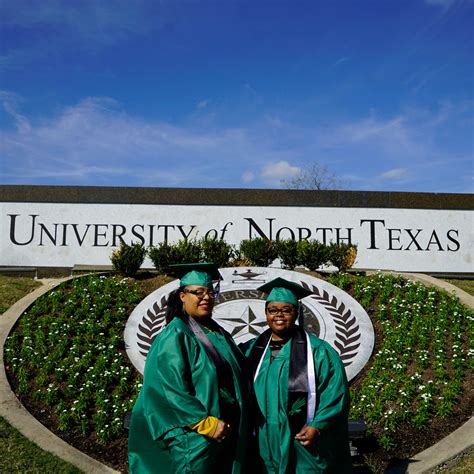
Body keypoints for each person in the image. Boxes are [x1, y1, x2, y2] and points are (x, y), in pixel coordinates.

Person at [128, 263, 250, 474]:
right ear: (183, 296)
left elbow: (235, 363)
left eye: (210, 292)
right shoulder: (176, 334)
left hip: (222, 433)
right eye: (198, 292)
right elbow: (168, 388)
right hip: (195, 437)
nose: (206, 297)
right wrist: (204, 423)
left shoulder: (215, 331)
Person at [242, 277, 352, 473]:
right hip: (261, 440)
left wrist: (317, 425)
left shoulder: (318, 352)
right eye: (273, 310)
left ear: (296, 312)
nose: (279, 315)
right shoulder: (250, 350)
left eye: (286, 310)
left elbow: (335, 394)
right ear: (266, 313)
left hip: (301, 441)